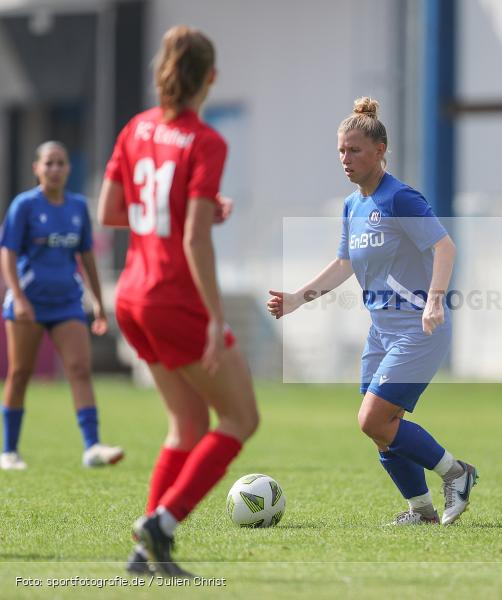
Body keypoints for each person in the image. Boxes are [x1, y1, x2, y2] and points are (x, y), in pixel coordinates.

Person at [267, 97, 477, 526]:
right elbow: (343, 264)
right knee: (382, 430)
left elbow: (444, 246)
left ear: (380, 150)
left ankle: (457, 473)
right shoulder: (352, 206)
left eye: (355, 150)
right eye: (342, 150)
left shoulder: (400, 198)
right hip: (380, 331)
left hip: (418, 329)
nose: (346, 159)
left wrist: (435, 298)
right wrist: (296, 299)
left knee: (373, 419)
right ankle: (422, 511)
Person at [98, 25, 258, 576]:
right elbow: (192, 238)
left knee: (186, 425)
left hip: (132, 297)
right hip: (172, 297)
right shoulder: (207, 141)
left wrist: (188, 209)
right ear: (210, 78)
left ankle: (146, 553)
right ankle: (163, 524)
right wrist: (216, 318)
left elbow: (112, 212)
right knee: (241, 416)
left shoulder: (135, 127)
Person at [0, 141, 124, 470]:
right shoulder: (24, 206)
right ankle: (9, 451)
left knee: (80, 369)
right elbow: (8, 254)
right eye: (49, 163)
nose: (55, 169)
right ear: (36, 169)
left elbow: (86, 255)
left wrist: (98, 301)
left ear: (69, 168)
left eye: (61, 163)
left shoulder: (78, 207)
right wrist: (19, 297)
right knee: (20, 373)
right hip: (29, 303)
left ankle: (92, 447)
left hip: (67, 302)